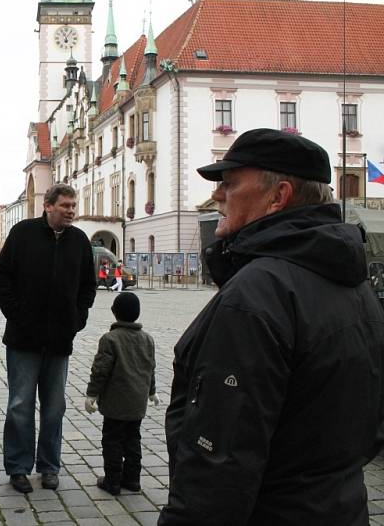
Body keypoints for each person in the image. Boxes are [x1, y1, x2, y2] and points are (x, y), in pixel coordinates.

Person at [159, 128, 384, 525]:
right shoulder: (353, 282)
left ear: (278, 196)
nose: (217, 195)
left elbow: (218, 468)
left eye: (229, 183)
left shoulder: (259, 292)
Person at [0, 184, 96, 494]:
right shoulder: (23, 233)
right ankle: (19, 468)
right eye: (65, 205)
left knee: (54, 407)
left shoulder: (79, 241)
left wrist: (77, 319)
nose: (71, 211)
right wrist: (16, 313)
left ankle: (49, 467)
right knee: (20, 405)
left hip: (59, 341)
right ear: (48, 206)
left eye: (73, 205)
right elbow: (0, 275)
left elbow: (87, 287)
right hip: (24, 339)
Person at [84, 292, 158, 495]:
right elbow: (150, 368)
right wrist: (152, 392)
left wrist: (92, 395)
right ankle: (133, 479)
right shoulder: (147, 339)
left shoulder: (110, 339)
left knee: (112, 441)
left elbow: (100, 370)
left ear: (114, 313)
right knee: (133, 440)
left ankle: (113, 480)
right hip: (137, 404)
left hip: (116, 405)